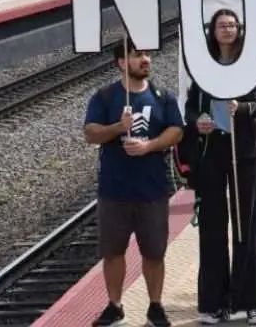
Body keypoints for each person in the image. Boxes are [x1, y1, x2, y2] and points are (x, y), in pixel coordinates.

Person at [83, 41, 184, 327]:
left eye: (147, 54)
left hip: (152, 190)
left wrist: (150, 146)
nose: (145, 60)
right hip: (114, 191)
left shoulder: (163, 96)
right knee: (113, 252)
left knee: (154, 251)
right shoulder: (105, 97)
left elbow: (176, 131)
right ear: (121, 62)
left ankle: (155, 306)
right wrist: (117, 128)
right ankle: (115, 306)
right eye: (138, 55)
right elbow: (90, 133)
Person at [183, 10, 256, 325]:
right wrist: (198, 121)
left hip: (242, 150)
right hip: (212, 150)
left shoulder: (252, 64)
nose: (228, 30)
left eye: (232, 25)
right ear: (213, 31)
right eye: (222, 25)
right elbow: (192, 106)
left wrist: (242, 107)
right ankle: (215, 302)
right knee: (213, 225)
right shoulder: (203, 67)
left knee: (247, 225)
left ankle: (249, 301)